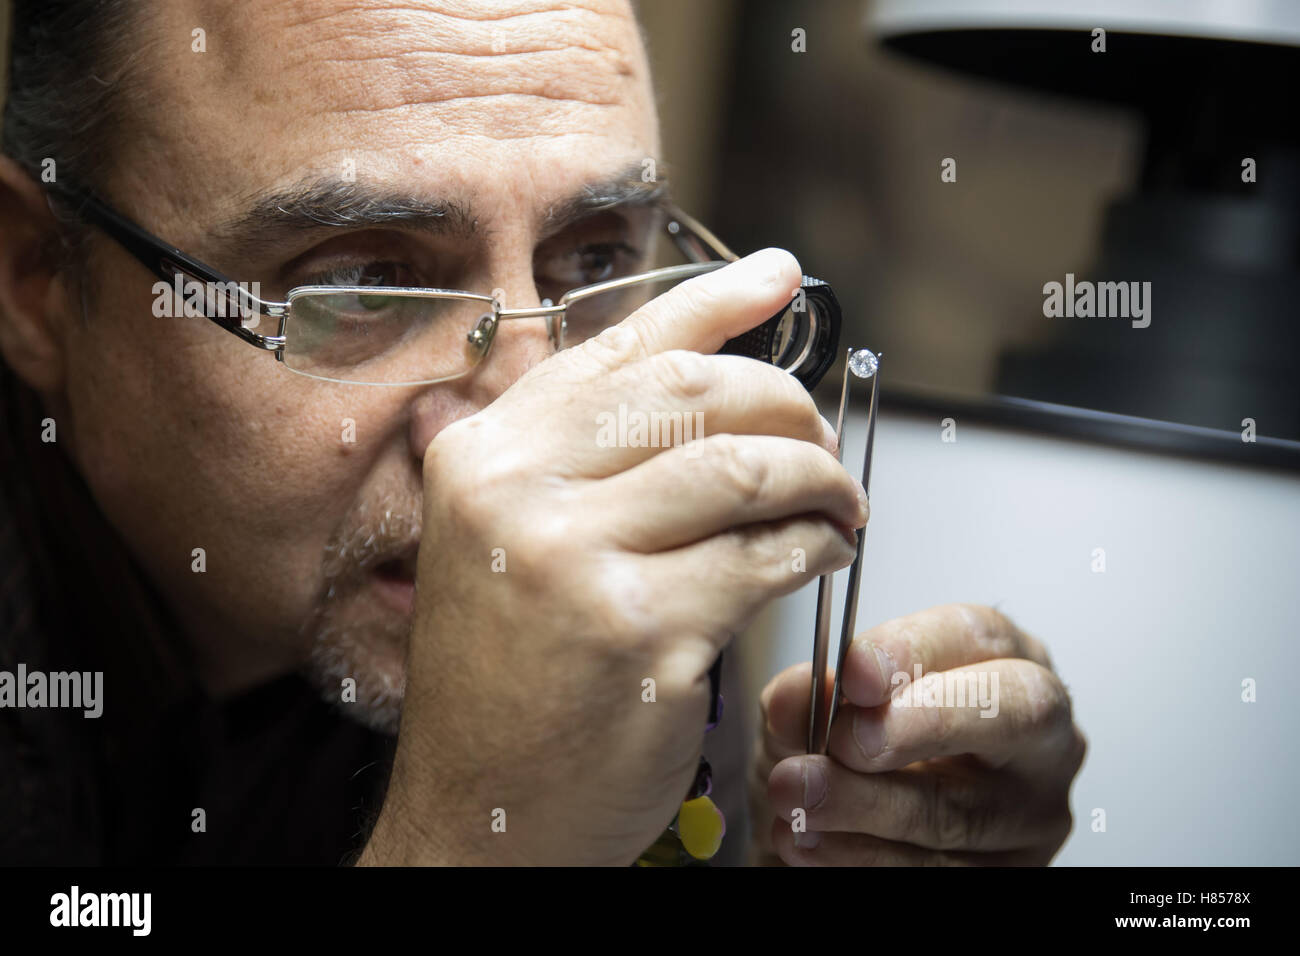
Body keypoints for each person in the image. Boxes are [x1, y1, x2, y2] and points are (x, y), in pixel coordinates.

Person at [0, 0, 1084, 866]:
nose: (536, 420)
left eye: (599, 261)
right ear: (37, 282)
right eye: (364, 281)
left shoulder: (633, 596)